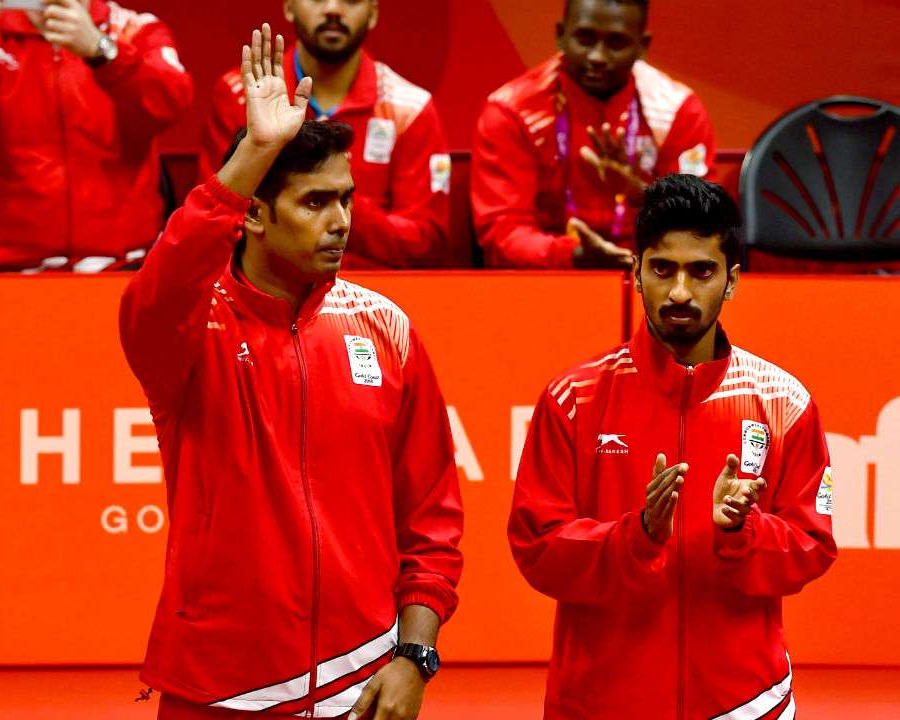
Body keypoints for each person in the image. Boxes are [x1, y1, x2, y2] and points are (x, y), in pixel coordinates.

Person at [121, 25, 463, 720]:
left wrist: (414, 656)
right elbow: (158, 289)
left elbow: (432, 521)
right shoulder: (188, 332)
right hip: (219, 687)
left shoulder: (387, 330)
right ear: (251, 215)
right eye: (315, 203)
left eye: (345, 198)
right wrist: (254, 151)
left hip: (364, 682)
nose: (341, 221)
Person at [508, 174, 836, 718]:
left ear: (731, 281)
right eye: (663, 269)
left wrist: (741, 530)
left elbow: (812, 546)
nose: (680, 291)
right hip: (599, 703)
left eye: (701, 271)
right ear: (636, 273)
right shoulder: (574, 398)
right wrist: (634, 536)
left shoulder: (784, 401)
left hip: (747, 704)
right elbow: (537, 549)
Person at [0, 0, 193, 272]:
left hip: (125, 266)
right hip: (5, 269)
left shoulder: (134, 30)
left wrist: (101, 51)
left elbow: (170, 105)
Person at [199, 1, 453, 269]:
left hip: (376, 295)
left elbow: (425, 245)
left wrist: (328, 200)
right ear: (288, 6)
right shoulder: (242, 97)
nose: (333, 8)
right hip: (263, 293)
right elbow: (212, 224)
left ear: (373, 13)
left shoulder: (411, 109)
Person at [472, 0, 717, 268]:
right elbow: (503, 232)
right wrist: (574, 255)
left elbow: (703, 225)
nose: (597, 56)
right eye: (585, 39)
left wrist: (641, 195)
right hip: (546, 279)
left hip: (651, 279)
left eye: (616, 43)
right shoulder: (513, 111)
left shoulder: (677, 111)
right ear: (560, 35)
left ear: (642, 47)